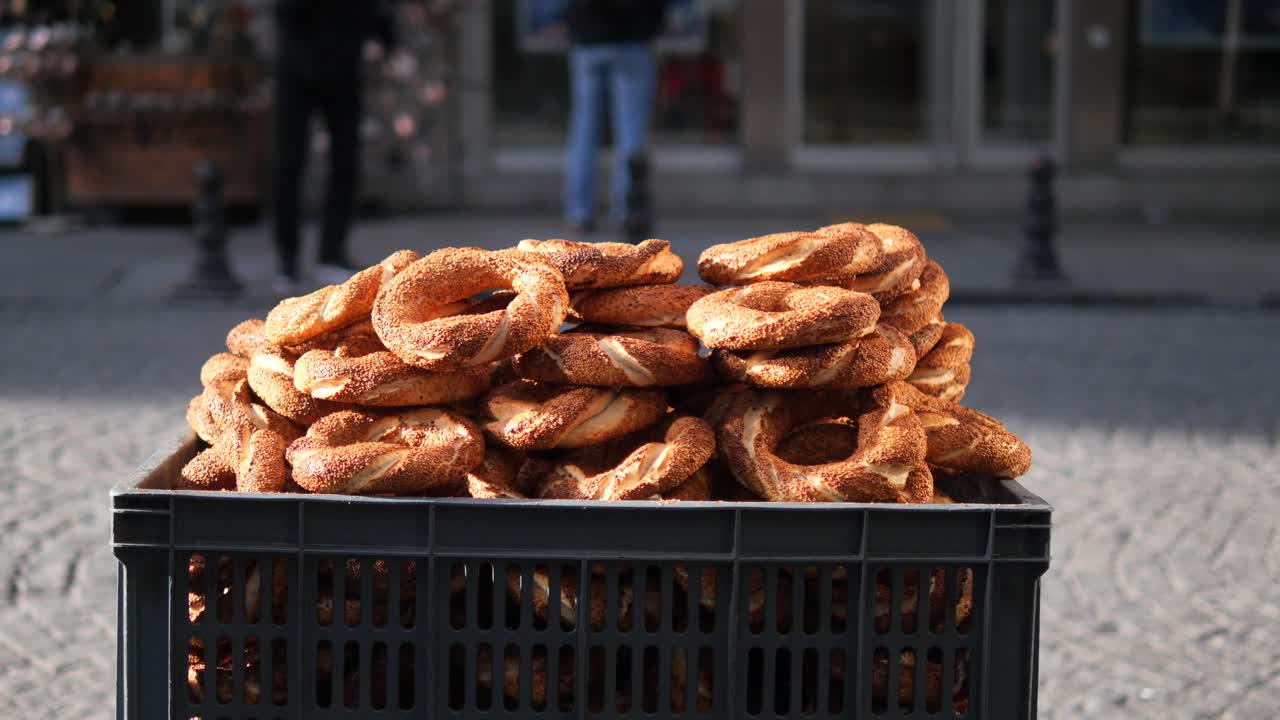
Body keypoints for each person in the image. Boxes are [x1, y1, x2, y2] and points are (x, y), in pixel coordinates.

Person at [271, 0, 394, 293]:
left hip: (343, 70)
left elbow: (374, 12)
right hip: (297, 69)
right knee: (288, 164)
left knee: (346, 162)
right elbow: (285, 11)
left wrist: (380, 37)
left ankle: (331, 253)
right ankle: (288, 262)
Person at [564, 0, 669, 234]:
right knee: (631, 132)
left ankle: (580, 214)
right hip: (632, 40)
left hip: (589, 40)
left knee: (584, 132)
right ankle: (628, 211)